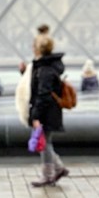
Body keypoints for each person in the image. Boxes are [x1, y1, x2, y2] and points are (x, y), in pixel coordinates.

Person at [29, 32, 69, 187]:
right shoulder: (50, 66)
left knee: (43, 143)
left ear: (39, 49)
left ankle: (47, 175)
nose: (32, 48)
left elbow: (43, 94)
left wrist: (36, 116)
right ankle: (59, 168)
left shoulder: (45, 69)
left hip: (46, 112)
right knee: (46, 142)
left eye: (34, 46)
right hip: (52, 110)